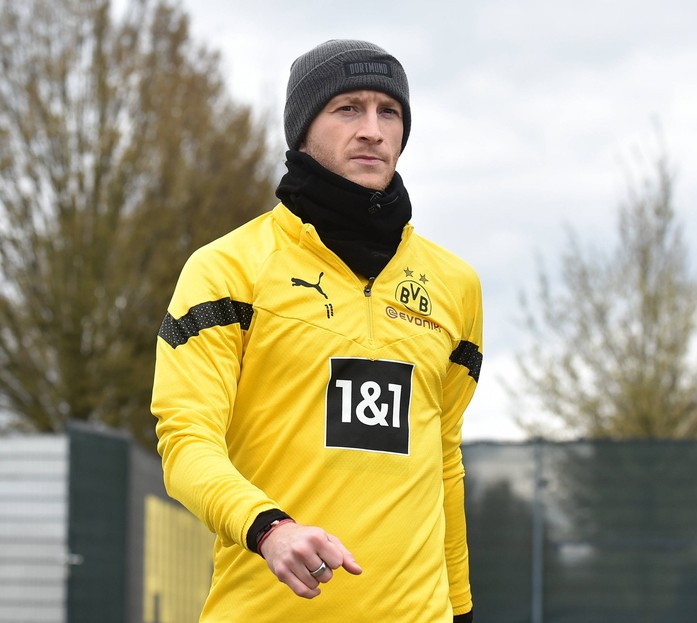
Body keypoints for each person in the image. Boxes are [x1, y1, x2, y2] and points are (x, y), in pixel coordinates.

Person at [151, 39, 481, 622]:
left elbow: (444, 459)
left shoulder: (455, 286)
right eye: (348, 108)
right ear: (303, 129)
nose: (373, 130)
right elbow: (186, 444)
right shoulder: (226, 270)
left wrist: (460, 608)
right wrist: (268, 528)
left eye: (390, 112)